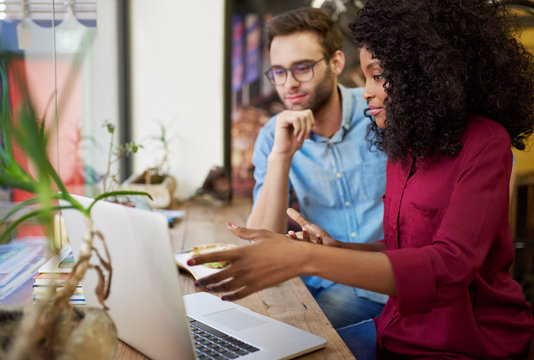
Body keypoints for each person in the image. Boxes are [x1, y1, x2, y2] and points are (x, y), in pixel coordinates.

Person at [190, 0, 534, 358]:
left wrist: (304, 259)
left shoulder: (485, 142)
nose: (367, 90)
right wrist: (337, 249)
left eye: (378, 75)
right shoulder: (402, 140)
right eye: (278, 72)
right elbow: (404, 246)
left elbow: (450, 267)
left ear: (425, 71)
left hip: (464, 342)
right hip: (398, 328)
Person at [246, 7, 388, 329]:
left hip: (384, 285)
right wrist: (281, 156)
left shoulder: (378, 113)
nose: (289, 85)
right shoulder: (273, 135)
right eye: (279, 72)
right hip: (321, 282)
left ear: (336, 63)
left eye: (302, 68)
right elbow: (261, 241)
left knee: (292, 335)